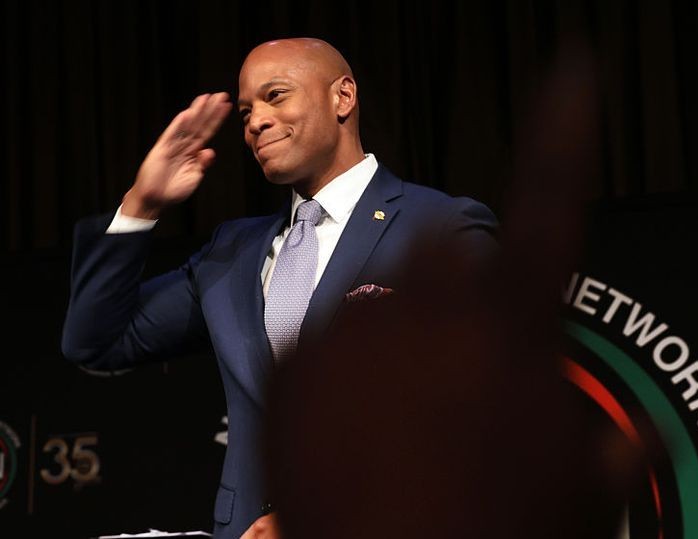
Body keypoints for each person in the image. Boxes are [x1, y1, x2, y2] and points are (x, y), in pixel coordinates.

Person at [61, 37, 498, 538]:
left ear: (343, 97)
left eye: (276, 96)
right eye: (246, 110)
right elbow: (95, 341)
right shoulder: (233, 253)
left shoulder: (440, 228)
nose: (255, 121)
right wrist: (142, 203)